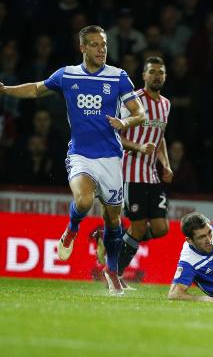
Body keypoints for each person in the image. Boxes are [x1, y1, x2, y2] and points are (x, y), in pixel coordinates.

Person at [0, 25, 146, 296]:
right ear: (82, 48)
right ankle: (71, 229)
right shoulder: (67, 74)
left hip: (111, 158)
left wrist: (123, 121)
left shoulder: (118, 77)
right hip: (80, 154)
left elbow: (141, 113)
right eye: (94, 44)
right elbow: (35, 89)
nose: (101, 49)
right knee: (84, 200)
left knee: (113, 220)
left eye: (103, 44)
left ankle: (112, 272)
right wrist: (5, 90)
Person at [102, 56, 172, 288]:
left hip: (151, 175)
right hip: (130, 174)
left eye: (160, 72)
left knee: (161, 228)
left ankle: (113, 247)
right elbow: (116, 135)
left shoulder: (166, 104)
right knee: (140, 226)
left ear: (165, 76)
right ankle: (115, 273)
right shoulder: (134, 101)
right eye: (152, 72)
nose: (156, 76)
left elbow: (159, 138)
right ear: (143, 76)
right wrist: (139, 147)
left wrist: (166, 164)